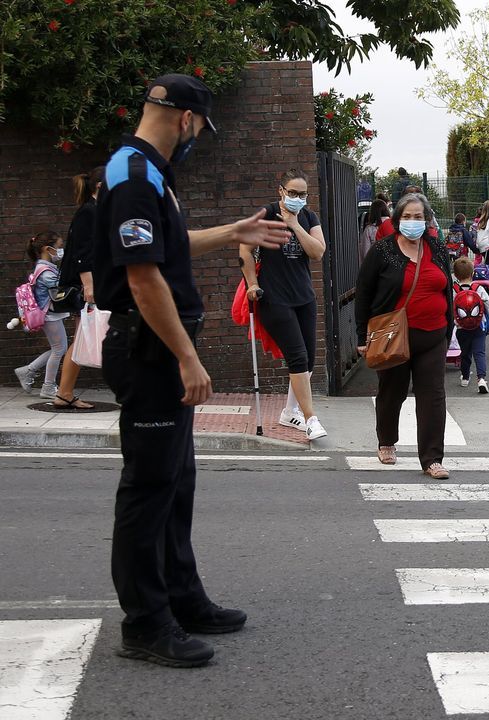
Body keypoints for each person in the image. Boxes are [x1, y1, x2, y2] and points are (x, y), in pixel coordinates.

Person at [93, 73, 291, 668]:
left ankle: (182, 598)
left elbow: (169, 245)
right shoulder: (132, 176)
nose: (196, 136)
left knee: (176, 483)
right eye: (200, 126)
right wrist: (187, 357)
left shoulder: (148, 172)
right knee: (149, 489)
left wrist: (234, 231)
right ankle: (146, 624)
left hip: (158, 349)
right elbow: (142, 277)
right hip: (150, 351)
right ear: (186, 118)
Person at [355, 192, 454, 478]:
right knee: (392, 392)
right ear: (398, 220)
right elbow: (364, 293)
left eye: (419, 217)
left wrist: (449, 328)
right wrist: (362, 336)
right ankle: (386, 441)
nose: (413, 222)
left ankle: (432, 459)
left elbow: (446, 287)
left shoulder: (436, 246)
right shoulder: (383, 250)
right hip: (394, 337)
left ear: (427, 219)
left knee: (433, 397)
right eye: (408, 217)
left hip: (434, 335)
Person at [238, 169, 328, 440]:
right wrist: (252, 283)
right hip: (275, 298)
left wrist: (296, 224)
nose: (297, 198)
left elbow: (317, 252)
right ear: (281, 191)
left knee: (309, 360)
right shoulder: (266, 214)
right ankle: (311, 419)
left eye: (302, 194)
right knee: (297, 357)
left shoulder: (309, 217)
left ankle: (290, 412)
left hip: (304, 297)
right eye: (292, 193)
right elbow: (244, 249)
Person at [53, 167, 106, 409]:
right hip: (85, 284)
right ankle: (63, 392)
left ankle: (64, 393)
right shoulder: (89, 212)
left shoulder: (96, 211)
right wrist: (89, 286)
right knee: (82, 338)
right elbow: (83, 253)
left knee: (82, 338)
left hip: (92, 283)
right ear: (100, 186)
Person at [14, 232, 70, 400]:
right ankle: (47, 386)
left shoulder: (45, 267)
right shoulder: (45, 271)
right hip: (49, 315)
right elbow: (61, 290)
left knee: (58, 348)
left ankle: (27, 371)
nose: (61, 251)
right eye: (59, 247)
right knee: (59, 349)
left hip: (49, 314)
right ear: (48, 249)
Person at [452, 256, 489, 394]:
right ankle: (481, 379)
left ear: (456, 275)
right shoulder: (479, 289)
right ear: (472, 274)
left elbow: (450, 309)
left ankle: (465, 377)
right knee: (479, 353)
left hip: (461, 328)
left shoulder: (454, 290)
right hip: (479, 327)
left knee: (465, 353)